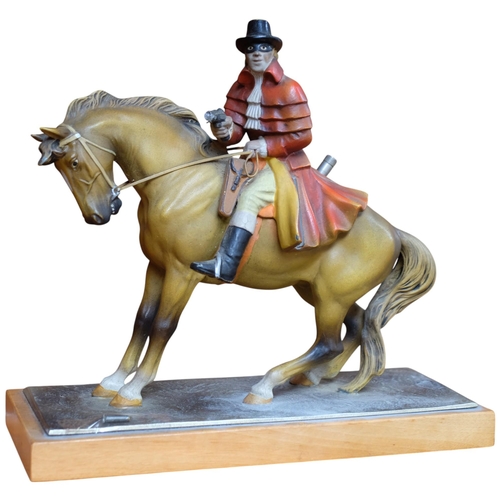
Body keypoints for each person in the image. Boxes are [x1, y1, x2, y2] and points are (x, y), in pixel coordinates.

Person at [191, 20, 367, 283]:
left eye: (263, 47)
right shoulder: (239, 88)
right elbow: (235, 130)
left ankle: (226, 264)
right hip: (252, 159)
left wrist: (266, 145)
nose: (256, 53)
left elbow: (303, 135)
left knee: (249, 197)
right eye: (251, 48)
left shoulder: (290, 89)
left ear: (274, 52)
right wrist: (224, 129)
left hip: (285, 164)